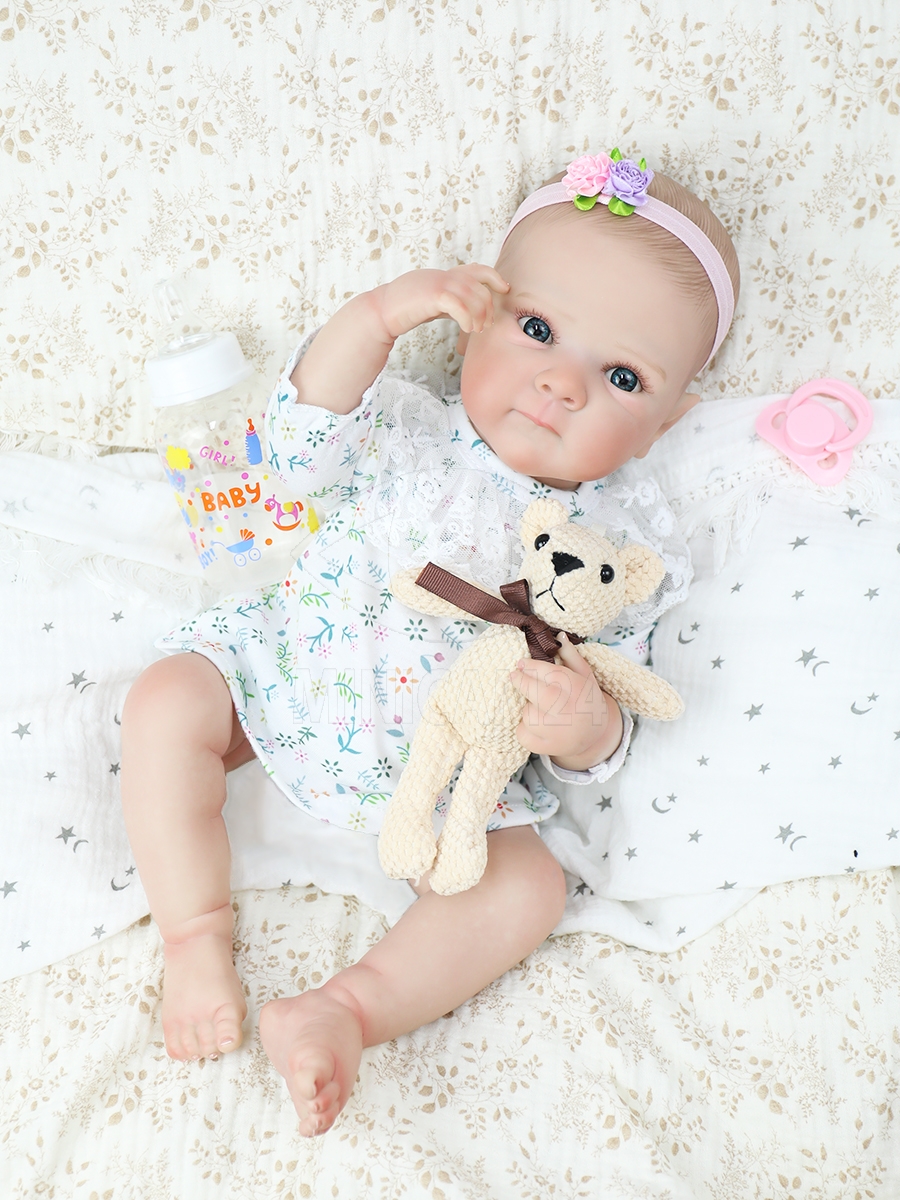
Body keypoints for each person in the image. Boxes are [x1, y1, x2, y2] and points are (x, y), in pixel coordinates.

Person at [121, 148, 740, 1136]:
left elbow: (620, 697)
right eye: (537, 330)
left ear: (666, 426)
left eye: (623, 377)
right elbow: (296, 447)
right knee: (165, 701)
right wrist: (378, 317)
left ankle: (345, 1009)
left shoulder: (623, 551)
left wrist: (584, 727)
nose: (560, 384)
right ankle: (193, 934)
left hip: (451, 778)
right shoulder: (405, 431)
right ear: (472, 322)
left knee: (528, 891)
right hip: (291, 681)